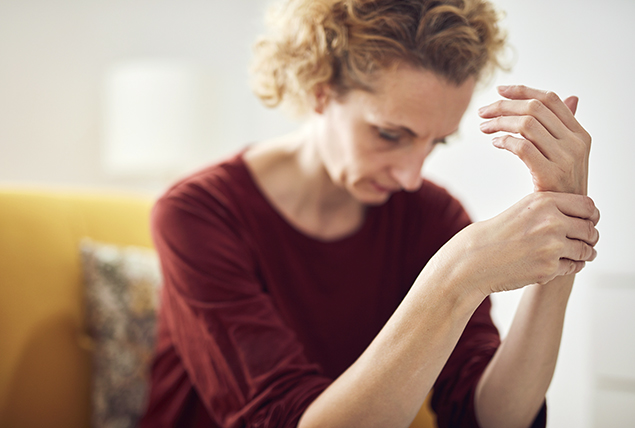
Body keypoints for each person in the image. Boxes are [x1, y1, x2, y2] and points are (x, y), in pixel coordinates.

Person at [140, 0, 599, 427]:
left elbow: (486, 415)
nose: (411, 176)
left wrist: (564, 230)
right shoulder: (198, 214)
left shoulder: (431, 217)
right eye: (389, 134)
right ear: (319, 91)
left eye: (435, 142)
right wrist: (455, 276)